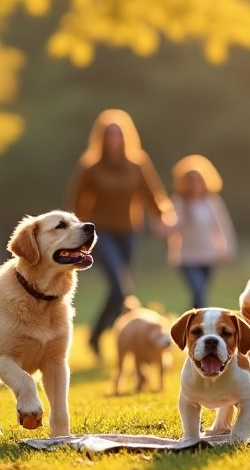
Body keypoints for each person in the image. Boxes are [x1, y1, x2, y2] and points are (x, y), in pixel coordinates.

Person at [67, 109, 176, 360]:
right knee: (120, 287)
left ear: (126, 136)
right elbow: (77, 203)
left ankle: (97, 336)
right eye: (109, 135)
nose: (114, 139)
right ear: (101, 138)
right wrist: (75, 237)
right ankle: (114, 336)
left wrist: (163, 216)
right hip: (101, 234)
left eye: (118, 134)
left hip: (129, 232)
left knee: (118, 292)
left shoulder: (138, 163)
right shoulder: (90, 167)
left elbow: (152, 193)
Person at [168, 155, 237, 309]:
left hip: (208, 256)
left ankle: (190, 327)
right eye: (191, 181)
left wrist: (226, 249)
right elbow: (173, 226)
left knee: (199, 296)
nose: (194, 185)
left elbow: (222, 227)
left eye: (198, 180)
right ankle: (200, 325)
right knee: (198, 291)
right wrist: (164, 225)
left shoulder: (213, 202)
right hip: (186, 257)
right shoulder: (179, 202)